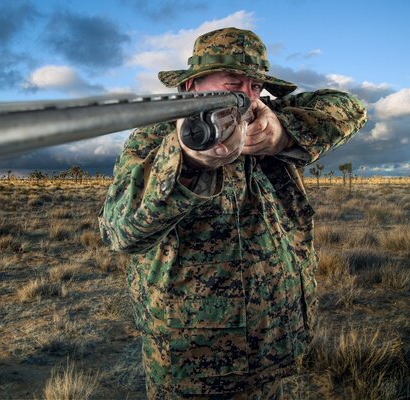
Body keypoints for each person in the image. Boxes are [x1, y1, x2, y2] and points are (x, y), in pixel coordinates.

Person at [98, 27, 367, 399]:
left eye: (255, 86)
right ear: (192, 86)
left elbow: (349, 105)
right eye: (233, 82)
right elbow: (120, 232)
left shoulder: (266, 117)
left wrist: (282, 134)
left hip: (277, 344)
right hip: (193, 360)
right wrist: (185, 163)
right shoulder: (154, 136)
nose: (247, 95)